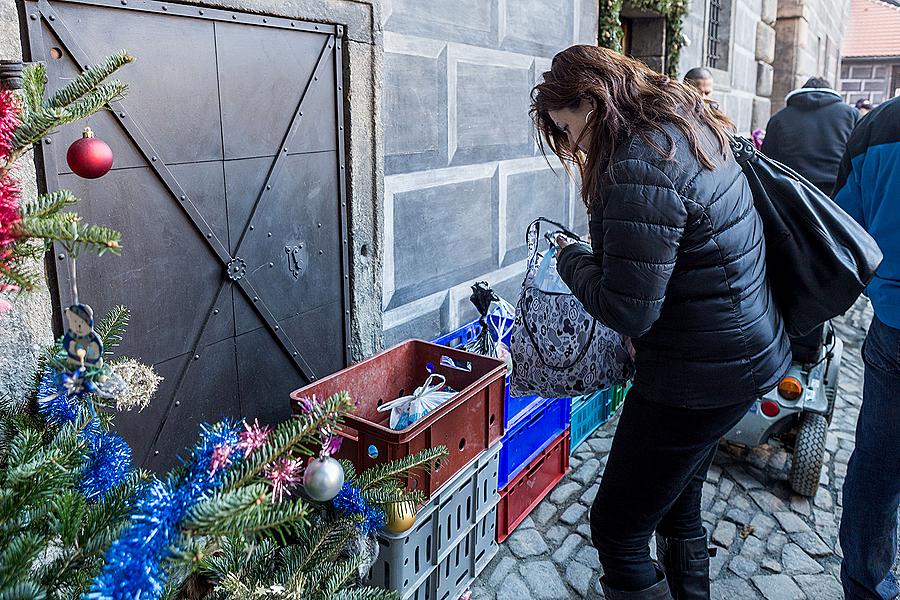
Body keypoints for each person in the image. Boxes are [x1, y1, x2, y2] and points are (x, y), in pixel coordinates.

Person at [531, 45, 791, 599]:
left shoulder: (635, 162)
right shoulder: (682, 123)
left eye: (569, 128)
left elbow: (629, 309)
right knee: (677, 504)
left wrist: (570, 256)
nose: (573, 147)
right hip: (738, 354)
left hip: (694, 375)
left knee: (618, 528)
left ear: (592, 101)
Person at [833, 96, 900, 600]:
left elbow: (846, 232)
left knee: (877, 464)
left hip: (894, 324)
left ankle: (866, 585)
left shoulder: (877, 123)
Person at [760, 77, 858, 196]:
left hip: (793, 194)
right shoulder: (852, 115)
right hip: (839, 192)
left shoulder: (779, 118)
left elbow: (767, 161)